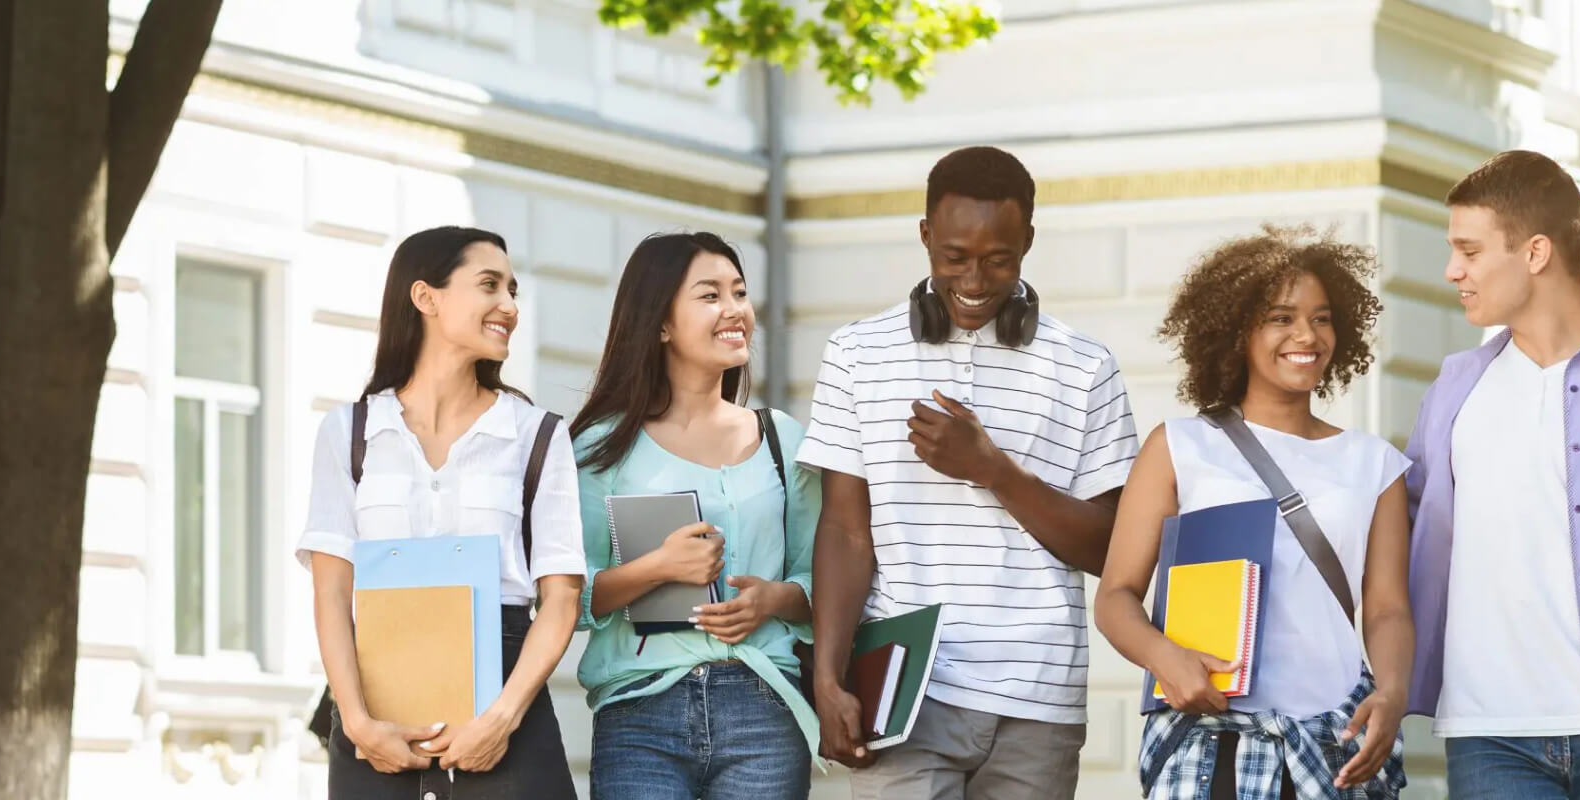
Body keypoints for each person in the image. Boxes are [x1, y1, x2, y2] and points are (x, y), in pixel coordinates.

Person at [798, 145, 1139, 800]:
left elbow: (1109, 549)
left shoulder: (1085, 366)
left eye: (998, 259)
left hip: (1039, 701)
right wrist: (829, 677)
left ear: (1028, 241)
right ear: (925, 235)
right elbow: (844, 532)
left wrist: (992, 469)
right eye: (954, 257)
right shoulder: (856, 353)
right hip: (903, 691)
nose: (975, 280)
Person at [1405, 150, 1580, 798]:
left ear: (1535, 252)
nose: (1453, 271)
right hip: (1491, 738)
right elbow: (1401, 534)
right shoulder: (1453, 390)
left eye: (1470, 251)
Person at [1094, 225, 1412, 800]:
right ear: (1238, 331)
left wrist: (1392, 692)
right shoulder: (1180, 446)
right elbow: (1116, 595)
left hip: (1332, 741)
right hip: (1212, 739)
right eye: (1281, 318)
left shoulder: (1374, 463)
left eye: (1321, 318)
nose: (1306, 335)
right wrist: (1165, 658)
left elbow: (1387, 608)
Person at [296, 226, 584, 799]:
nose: (510, 306)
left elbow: (561, 597)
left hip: (508, 706)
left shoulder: (536, 435)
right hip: (376, 711)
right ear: (426, 297)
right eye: (489, 285)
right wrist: (356, 724)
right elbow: (331, 593)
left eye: (512, 290)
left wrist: (501, 720)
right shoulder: (349, 433)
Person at [571, 231, 821, 800]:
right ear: (660, 323)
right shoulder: (601, 446)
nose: (734, 310)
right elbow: (567, 597)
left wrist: (772, 600)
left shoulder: (783, 439)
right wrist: (657, 568)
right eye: (710, 296)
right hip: (640, 712)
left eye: (740, 293)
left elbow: (822, 580)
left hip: (764, 710)